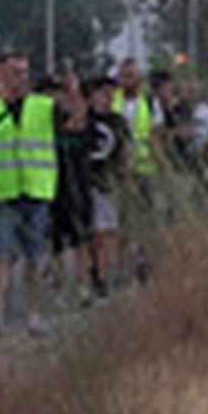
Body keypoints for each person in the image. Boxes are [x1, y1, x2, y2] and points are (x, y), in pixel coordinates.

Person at [0, 52, 60, 339]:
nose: (20, 78)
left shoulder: (44, 107)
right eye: (14, 72)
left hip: (36, 190)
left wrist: (69, 90)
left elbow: (72, 120)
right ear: (1, 75)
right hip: (3, 193)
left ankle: (34, 313)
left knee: (34, 255)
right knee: (2, 254)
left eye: (24, 72)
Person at [111, 58, 164, 281]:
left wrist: (161, 166)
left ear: (139, 78)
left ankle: (144, 261)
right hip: (119, 171)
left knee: (146, 219)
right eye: (123, 76)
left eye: (131, 76)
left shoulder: (150, 103)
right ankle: (120, 267)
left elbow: (156, 137)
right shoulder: (113, 101)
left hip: (145, 170)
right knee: (122, 221)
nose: (127, 81)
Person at [49, 69, 96, 306]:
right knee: (56, 243)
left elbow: (79, 122)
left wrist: (74, 92)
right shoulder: (50, 119)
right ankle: (58, 288)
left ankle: (84, 286)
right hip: (54, 186)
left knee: (81, 239)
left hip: (79, 184)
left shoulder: (83, 120)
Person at [85, 76, 131, 296]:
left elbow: (126, 150)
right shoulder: (85, 119)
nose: (107, 98)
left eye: (111, 94)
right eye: (103, 93)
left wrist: (127, 174)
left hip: (110, 181)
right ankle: (97, 272)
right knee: (95, 233)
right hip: (87, 180)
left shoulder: (118, 122)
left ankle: (106, 274)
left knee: (109, 231)